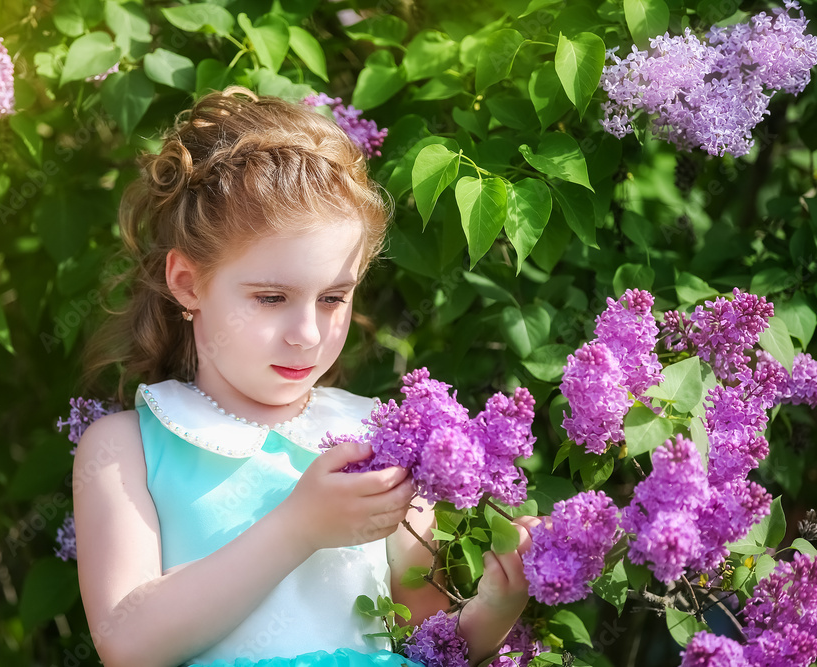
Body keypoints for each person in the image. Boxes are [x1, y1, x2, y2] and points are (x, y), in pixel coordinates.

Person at [73, 86, 538, 667]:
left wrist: (497, 605)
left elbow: (426, 641)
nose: (308, 334)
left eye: (333, 298)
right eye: (271, 298)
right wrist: (298, 527)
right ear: (189, 284)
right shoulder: (127, 447)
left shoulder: (378, 434)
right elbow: (127, 643)